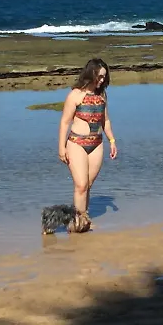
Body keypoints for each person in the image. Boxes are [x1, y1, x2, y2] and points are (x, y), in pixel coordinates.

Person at [58, 58, 117, 231]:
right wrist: (61, 147)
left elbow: (105, 120)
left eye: (104, 77)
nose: (102, 80)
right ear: (91, 74)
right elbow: (64, 122)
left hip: (96, 144)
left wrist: (112, 141)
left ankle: (84, 219)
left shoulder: (102, 96)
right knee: (81, 185)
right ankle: (77, 221)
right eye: (99, 76)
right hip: (76, 143)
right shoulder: (75, 95)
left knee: (87, 185)